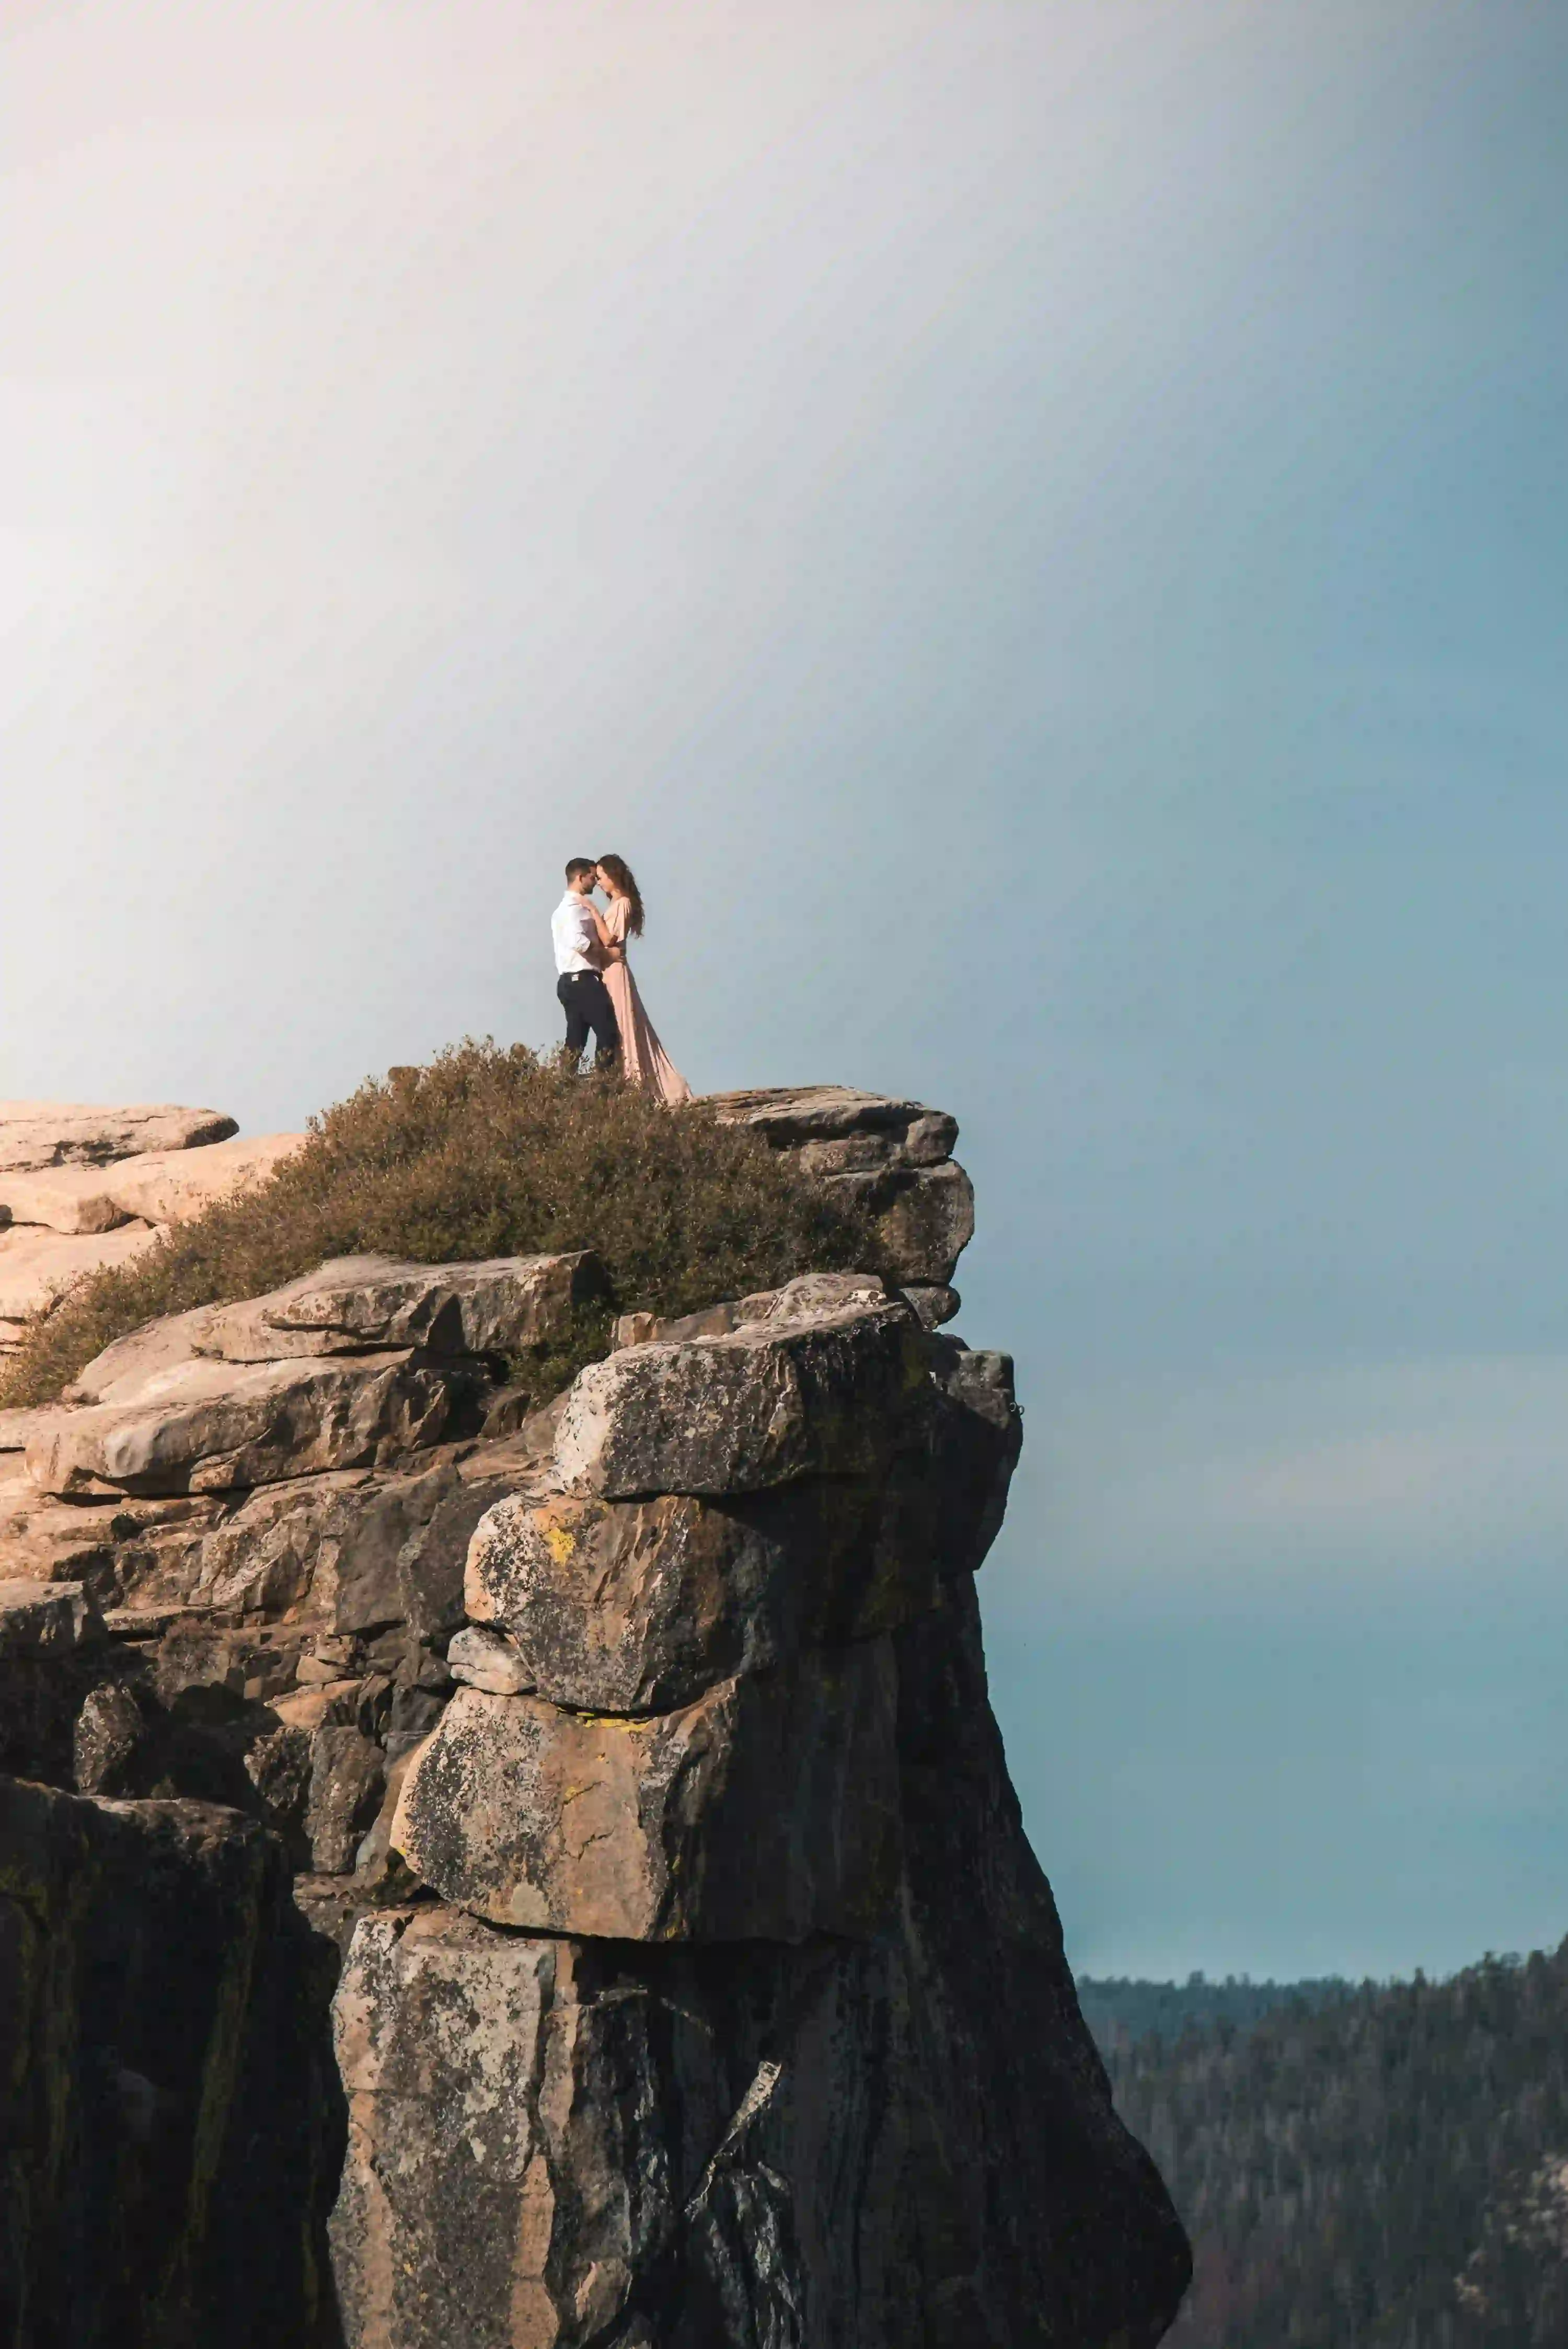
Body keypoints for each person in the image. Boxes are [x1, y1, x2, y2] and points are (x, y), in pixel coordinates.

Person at [594, 854, 693, 1103]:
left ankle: (635, 1084)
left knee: (623, 1026)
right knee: (618, 1026)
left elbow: (613, 944)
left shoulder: (622, 904)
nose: (598, 882)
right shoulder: (616, 905)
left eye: (601, 876)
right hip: (609, 971)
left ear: (612, 875)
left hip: (614, 973)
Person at [551, 858, 620, 1072]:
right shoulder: (575, 909)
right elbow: (579, 943)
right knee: (608, 1034)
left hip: (569, 982)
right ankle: (603, 1087)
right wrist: (607, 953)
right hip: (583, 981)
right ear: (581, 878)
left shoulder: (561, 910)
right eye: (592, 877)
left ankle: (565, 1088)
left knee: (575, 1040)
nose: (596, 882)